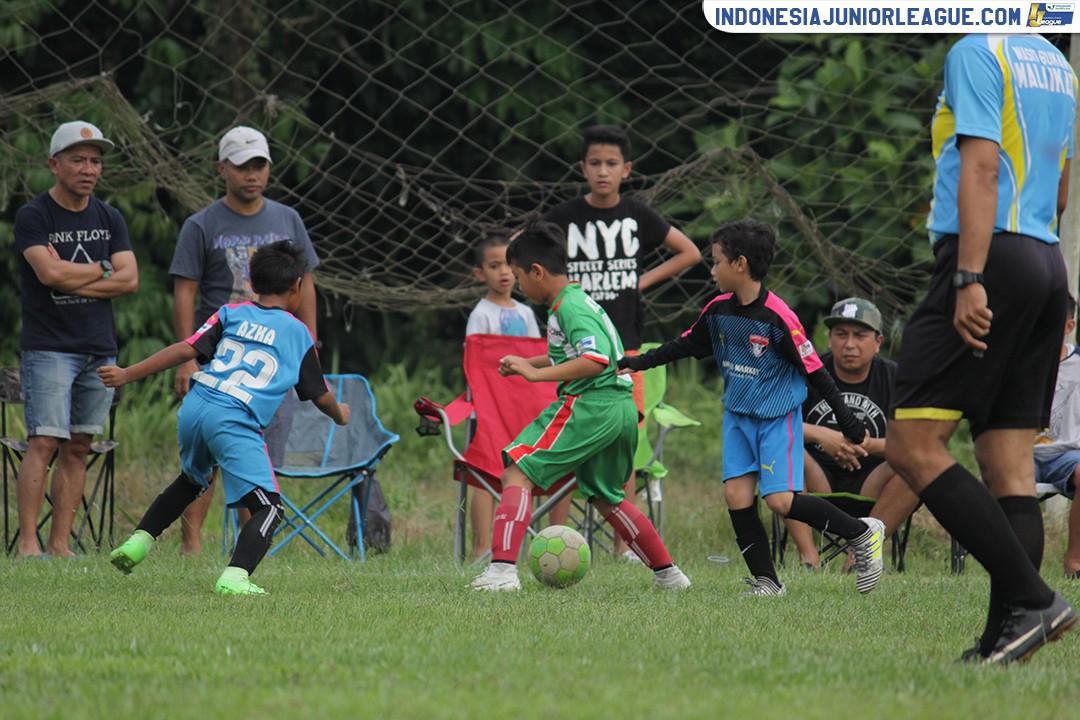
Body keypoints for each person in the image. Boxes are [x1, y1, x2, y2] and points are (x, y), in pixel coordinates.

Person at [886, 34, 1077, 665]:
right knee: (1010, 468)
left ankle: (1035, 598)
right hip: (1048, 262)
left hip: (990, 256)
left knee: (913, 446)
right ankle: (1008, 635)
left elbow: (982, 165)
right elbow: (1059, 186)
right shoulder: (1057, 64)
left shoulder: (978, 50)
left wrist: (970, 276)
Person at [620, 219, 885, 597]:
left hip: (776, 420)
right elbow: (686, 345)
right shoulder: (717, 310)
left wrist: (848, 422)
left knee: (779, 500)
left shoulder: (779, 317)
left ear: (740, 264)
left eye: (716, 262)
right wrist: (634, 363)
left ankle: (862, 532)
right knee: (737, 496)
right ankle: (767, 581)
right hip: (737, 418)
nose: (712, 271)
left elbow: (816, 373)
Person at [102, 241, 349, 595]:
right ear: (297, 286)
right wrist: (340, 414)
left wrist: (128, 373)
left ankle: (138, 542)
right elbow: (319, 394)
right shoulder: (298, 333)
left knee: (192, 481)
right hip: (234, 417)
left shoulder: (231, 313)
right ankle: (235, 577)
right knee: (269, 509)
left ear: (251, 283)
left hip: (196, 405)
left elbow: (186, 348)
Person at [469, 221, 690, 591]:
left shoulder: (570, 308)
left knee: (517, 469)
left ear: (537, 272)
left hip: (592, 404)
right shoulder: (577, 300)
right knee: (607, 497)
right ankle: (669, 575)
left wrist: (536, 376)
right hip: (619, 408)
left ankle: (502, 573)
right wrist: (529, 363)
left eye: (521, 277)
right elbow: (575, 352)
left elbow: (596, 360)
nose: (521, 286)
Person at [541, 124, 700, 560]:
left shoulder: (637, 215)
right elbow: (525, 248)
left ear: (626, 169)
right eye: (595, 163)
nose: (603, 171)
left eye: (612, 164)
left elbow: (690, 252)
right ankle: (556, 538)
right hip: (574, 350)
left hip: (625, 351)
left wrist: (638, 283)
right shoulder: (565, 215)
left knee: (623, 441)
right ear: (583, 168)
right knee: (564, 434)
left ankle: (625, 545)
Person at [168, 125, 320, 555]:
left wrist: (309, 343)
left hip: (272, 358)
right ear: (222, 169)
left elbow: (305, 284)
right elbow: (186, 292)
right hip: (221, 355)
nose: (251, 174)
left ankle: (249, 550)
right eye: (241, 166)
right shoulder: (202, 224)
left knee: (260, 456)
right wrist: (187, 358)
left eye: (259, 165)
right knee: (205, 457)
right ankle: (191, 543)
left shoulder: (287, 219)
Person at [13, 120, 139, 558]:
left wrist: (74, 277)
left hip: (99, 347)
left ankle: (61, 546)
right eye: (78, 159)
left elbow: (130, 280)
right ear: (54, 164)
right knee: (44, 441)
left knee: (80, 445)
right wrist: (104, 269)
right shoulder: (33, 216)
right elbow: (47, 274)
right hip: (49, 347)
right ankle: (29, 546)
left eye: (95, 161)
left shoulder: (109, 217)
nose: (88, 168)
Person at [786, 297, 919, 569]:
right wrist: (823, 436)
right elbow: (775, 425)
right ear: (828, 338)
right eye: (841, 334)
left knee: (916, 461)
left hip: (873, 483)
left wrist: (869, 445)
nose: (849, 344)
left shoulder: (895, 378)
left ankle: (860, 555)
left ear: (878, 341)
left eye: (860, 335)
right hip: (817, 480)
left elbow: (914, 438)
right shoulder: (807, 373)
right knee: (781, 448)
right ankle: (808, 557)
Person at [464, 232, 541, 559]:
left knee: (525, 469)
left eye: (509, 265)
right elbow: (476, 365)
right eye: (494, 266)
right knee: (483, 472)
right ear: (480, 274)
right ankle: (482, 548)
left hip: (522, 408)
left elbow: (538, 361)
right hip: (487, 408)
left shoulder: (526, 314)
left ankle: (523, 544)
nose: (504, 272)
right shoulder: (480, 315)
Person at [1035, 294, 1080, 579]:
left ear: (1068, 326)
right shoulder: (1018, 361)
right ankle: (1022, 568)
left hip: (1067, 453)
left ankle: (1074, 562)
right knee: (1007, 477)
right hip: (1019, 451)